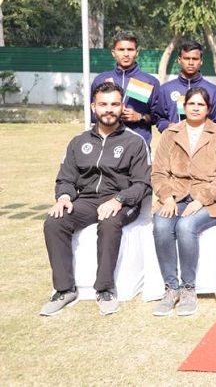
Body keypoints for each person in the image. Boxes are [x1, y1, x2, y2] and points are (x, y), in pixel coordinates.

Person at [40, 82, 151, 316]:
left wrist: (119, 199)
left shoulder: (135, 142)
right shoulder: (78, 141)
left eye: (114, 104)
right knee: (54, 221)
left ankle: (105, 289)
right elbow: (66, 178)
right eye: (103, 104)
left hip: (123, 201)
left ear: (122, 107)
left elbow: (142, 183)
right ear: (93, 106)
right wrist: (64, 197)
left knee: (110, 222)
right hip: (87, 200)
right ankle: (64, 289)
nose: (108, 109)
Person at [150, 87, 216, 316]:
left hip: (209, 200)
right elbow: (158, 172)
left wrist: (201, 200)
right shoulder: (170, 134)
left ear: (208, 109)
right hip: (175, 195)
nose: (196, 108)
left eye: (201, 104)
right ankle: (171, 288)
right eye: (191, 104)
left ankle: (188, 288)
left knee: (186, 225)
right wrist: (166, 197)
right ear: (184, 106)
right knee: (161, 224)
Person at [91, 31, 161, 146]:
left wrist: (140, 117)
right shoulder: (101, 80)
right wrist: (110, 113)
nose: (126, 54)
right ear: (113, 53)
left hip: (138, 145)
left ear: (137, 52)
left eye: (130, 49)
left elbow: (157, 117)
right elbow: (92, 115)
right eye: (121, 50)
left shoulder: (149, 81)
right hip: (106, 143)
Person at [154, 40, 216, 132]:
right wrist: (168, 126)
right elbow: (159, 118)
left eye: (195, 59)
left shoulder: (213, 91)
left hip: (203, 143)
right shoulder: (166, 89)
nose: (190, 63)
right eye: (186, 58)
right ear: (179, 60)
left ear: (201, 61)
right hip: (174, 142)